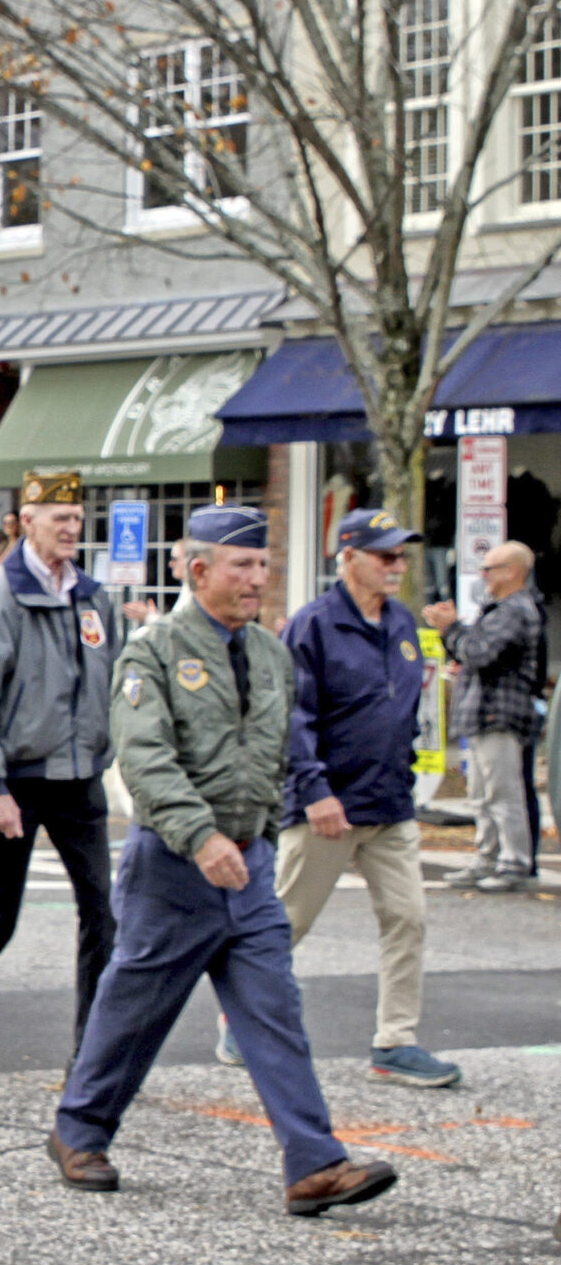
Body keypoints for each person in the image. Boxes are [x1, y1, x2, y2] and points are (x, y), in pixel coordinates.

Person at [48, 506, 402, 1220]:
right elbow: (144, 757)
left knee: (274, 1012)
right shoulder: (152, 651)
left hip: (249, 867)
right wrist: (201, 836)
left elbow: (277, 749)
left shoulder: (270, 653)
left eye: (263, 565)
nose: (256, 578)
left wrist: (257, 833)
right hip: (174, 866)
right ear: (198, 569)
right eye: (242, 565)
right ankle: (78, 1131)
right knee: (136, 1008)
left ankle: (314, 1163)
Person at [0, 469, 153, 1074]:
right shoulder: (0, 596)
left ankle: (91, 1052)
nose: (71, 529)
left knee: (103, 914)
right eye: (59, 519)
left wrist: (111, 751)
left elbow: (110, 680)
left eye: (76, 519)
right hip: (16, 781)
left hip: (79, 779)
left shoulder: (92, 597)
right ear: (28, 522)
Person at [271, 509, 459, 1088]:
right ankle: (245, 1014)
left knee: (407, 918)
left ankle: (396, 1041)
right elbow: (293, 716)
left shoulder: (401, 620)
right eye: (385, 556)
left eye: (401, 556)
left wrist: (407, 770)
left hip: (390, 801)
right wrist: (314, 790)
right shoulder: (312, 626)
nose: (396, 566)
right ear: (348, 558)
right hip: (328, 804)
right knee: (286, 923)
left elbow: (403, 705)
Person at [426, 541, 547, 892]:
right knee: (482, 794)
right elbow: (479, 655)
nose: (483, 575)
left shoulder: (514, 610)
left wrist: (451, 629)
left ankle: (514, 864)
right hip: (485, 714)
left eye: (489, 568)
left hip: (499, 715)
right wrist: (457, 638)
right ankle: (488, 859)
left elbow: (480, 653)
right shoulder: (500, 610)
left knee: (503, 794)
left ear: (512, 572)